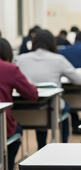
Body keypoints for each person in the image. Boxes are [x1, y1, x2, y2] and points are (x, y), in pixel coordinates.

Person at [16, 29, 81, 149]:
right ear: (52, 43)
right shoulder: (58, 59)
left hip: (22, 110)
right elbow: (79, 81)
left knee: (41, 109)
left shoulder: (21, 59)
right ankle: (64, 145)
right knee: (64, 107)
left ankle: (41, 146)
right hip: (50, 109)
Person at [0, 38, 38, 170]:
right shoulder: (9, 69)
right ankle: (8, 166)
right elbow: (32, 94)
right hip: (2, 128)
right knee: (16, 128)